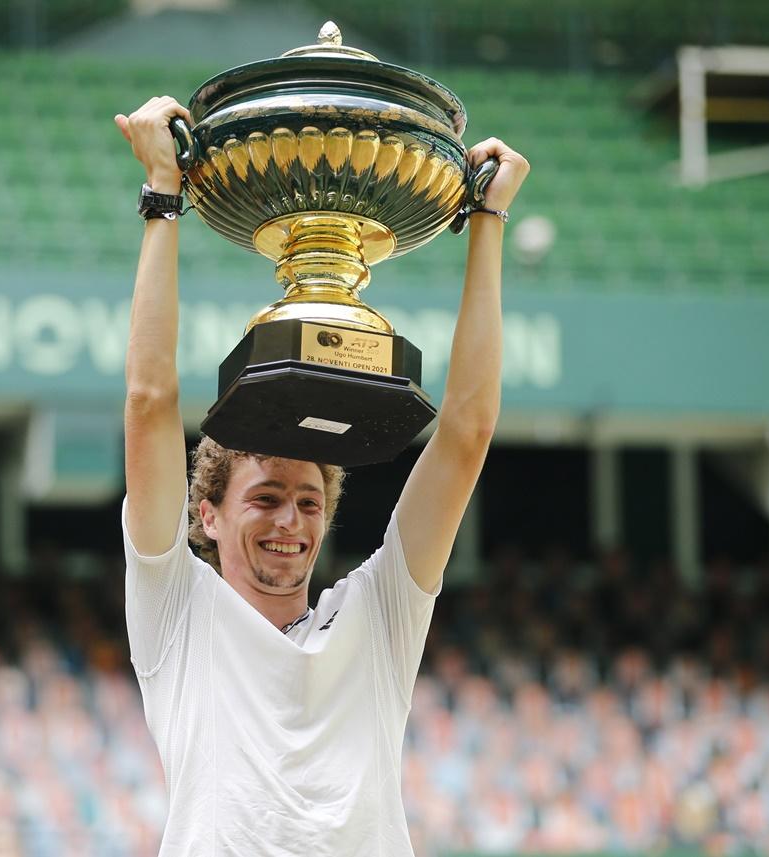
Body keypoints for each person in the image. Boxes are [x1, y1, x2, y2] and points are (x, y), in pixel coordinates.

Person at [114, 95, 529, 856]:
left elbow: (466, 432)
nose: (289, 521)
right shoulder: (177, 611)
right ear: (205, 515)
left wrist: (488, 223)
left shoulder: (378, 617)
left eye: (308, 501)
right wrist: (162, 200)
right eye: (265, 498)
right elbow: (148, 403)